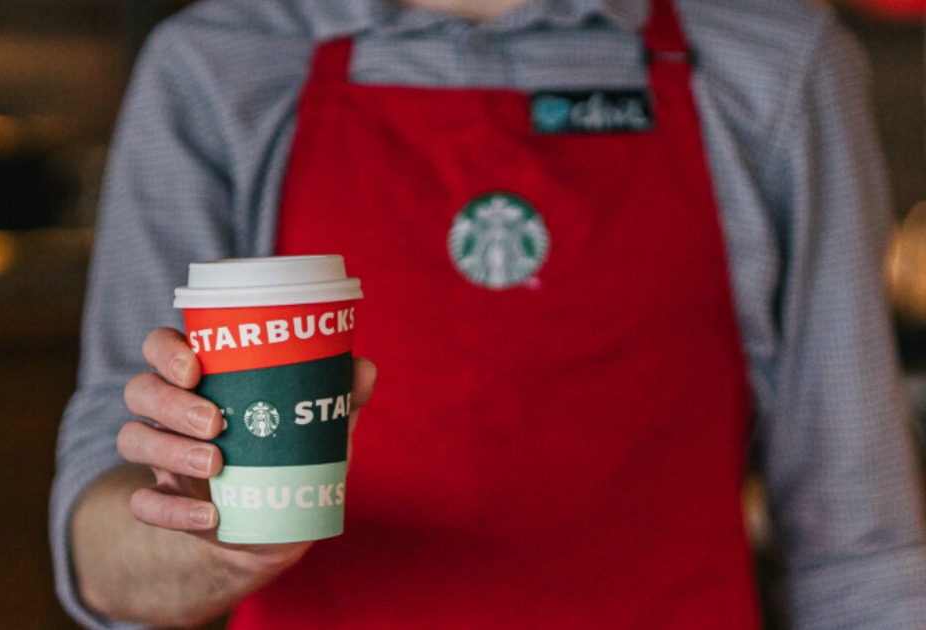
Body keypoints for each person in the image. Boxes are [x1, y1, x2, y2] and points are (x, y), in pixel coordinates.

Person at [50, 0, 926, 627]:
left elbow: (862, 547)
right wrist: (213, 545)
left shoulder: (776, 63)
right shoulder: (217, 65)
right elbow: (103, 553)